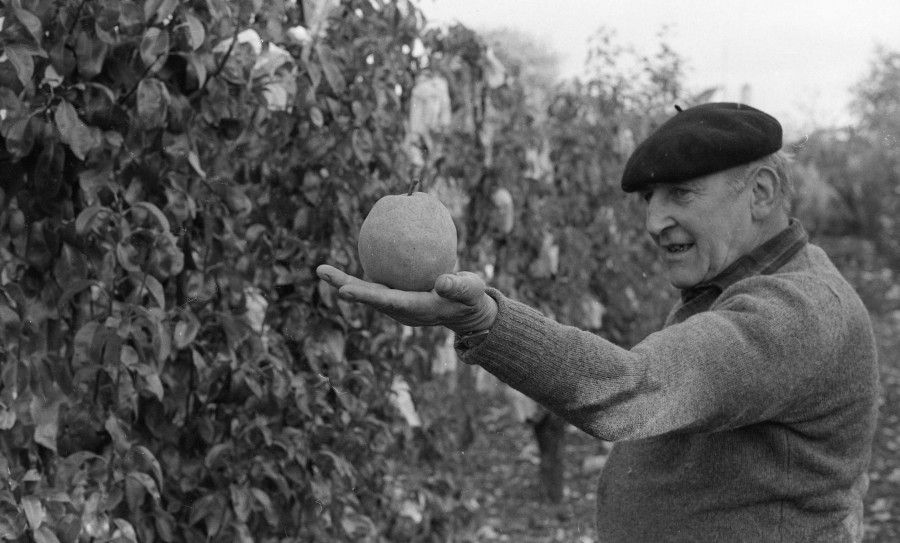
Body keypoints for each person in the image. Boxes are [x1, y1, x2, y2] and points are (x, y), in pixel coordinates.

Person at [317, 102, 879, 542]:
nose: (654, 221)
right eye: (649, 198)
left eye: (681, 193)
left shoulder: (799, 313)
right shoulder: (729, 285)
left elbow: (636, 389)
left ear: (761, 192)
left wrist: (484, 320)